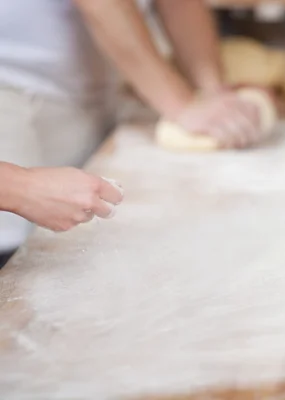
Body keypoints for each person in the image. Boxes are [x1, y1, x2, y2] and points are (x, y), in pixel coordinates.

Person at [0, 0, 262, 267]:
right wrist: (183, 106)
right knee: (16, 252)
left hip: (84, 81)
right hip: (11, 82)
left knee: (73, 236)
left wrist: (211, 90)